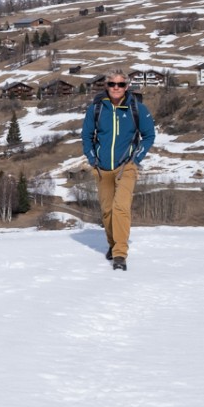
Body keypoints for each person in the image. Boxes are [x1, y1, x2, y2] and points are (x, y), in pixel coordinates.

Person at [81, 69, 156, 271]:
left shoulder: (137, 109)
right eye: (112, 84)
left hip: (126, 167)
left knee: (120, 208)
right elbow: (86, 136)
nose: (116, 88)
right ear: (106, 86)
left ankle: (120, 254)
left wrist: (137, 158)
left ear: (127, 87)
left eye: (121, 84)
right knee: (107, 211)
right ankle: (113, 244)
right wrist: (92, 159)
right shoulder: (96, 109)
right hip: (102, 168)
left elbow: (149, 135)